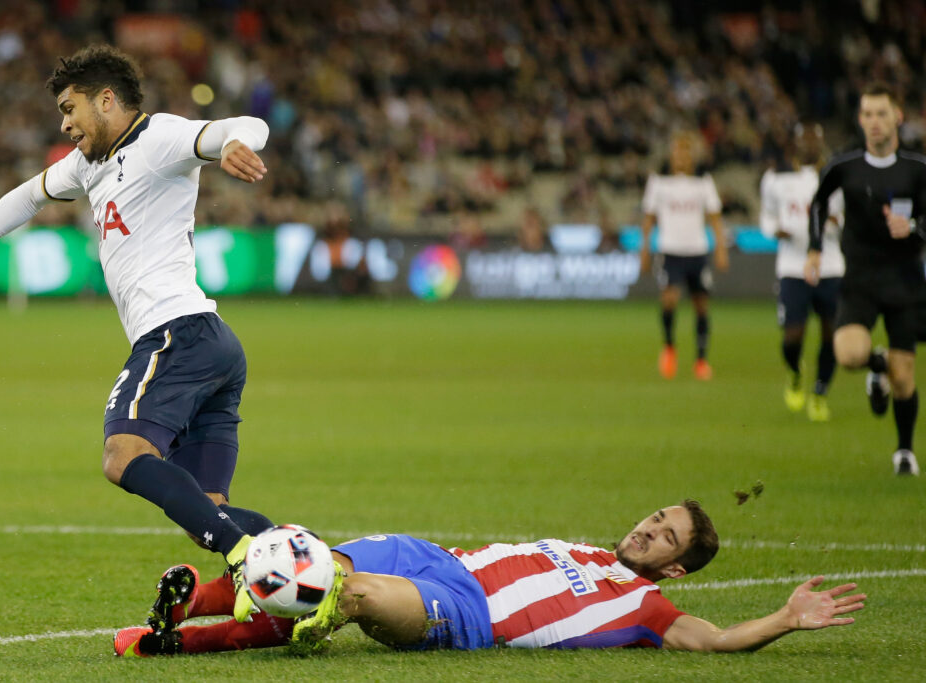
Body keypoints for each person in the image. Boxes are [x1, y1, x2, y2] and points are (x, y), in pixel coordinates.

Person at [0, 44, 275, 620]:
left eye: (70, 108)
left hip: (176, 335)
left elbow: (243, 124)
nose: (64, 123)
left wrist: (236, 142)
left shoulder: (158, 138)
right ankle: (329, 567)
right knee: (204, 511)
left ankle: (242, 556)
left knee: (122, 455)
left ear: (106, 100)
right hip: (209, 343)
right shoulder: (88, 163)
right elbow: (28, 195)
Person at [113, 501, 864, 657]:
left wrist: (785, 618)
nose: (646, 526)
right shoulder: (584, 545)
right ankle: (183, 615)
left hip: (466, 611)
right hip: (437, 555)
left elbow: (717, 638)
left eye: (664, 534)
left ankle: (197, 633)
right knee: (314, 565)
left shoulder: (647, 605)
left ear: (672, 564)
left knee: (353, 595)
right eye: (655, 514)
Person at [804, 82, 926, 476]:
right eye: (868, 114)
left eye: (882, 114)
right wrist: (815, 248)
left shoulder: (917, 169)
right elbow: (818, 203)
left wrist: (914, 227)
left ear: (897, 117)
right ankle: (877, 364)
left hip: (906, 282)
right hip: (861, 279)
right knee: (849, 355)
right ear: (860, 119)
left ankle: (905, 451)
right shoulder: (844, 167)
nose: (875, 122)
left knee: (905, 377)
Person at [760, 122, 844, 421]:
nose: (810, 144)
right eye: (804, 138)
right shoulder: (776, 178)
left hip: (830, 264)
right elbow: (767, 216)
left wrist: (834, 224)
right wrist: (775, 230)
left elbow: (847, 216)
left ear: (822, 142)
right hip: (792, 266)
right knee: (792, 336)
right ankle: (795, 371)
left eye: (815, 139)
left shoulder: (836, 176)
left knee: (831, 334)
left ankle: (820, 393)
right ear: (794, 142)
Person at [640, 132, 730, 381]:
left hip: (697, 251)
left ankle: (701, 360)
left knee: (701, 305)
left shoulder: (703, 181)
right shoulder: (659, 182)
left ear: (692, 155)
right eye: (678, 151)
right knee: (669, 299)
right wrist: (644, 249)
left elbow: (714, 217)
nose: (681, 156)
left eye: (686, 151)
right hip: (670, 250)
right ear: (671, 154)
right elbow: (649, 219)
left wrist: (721, 249)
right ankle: (669, 347)